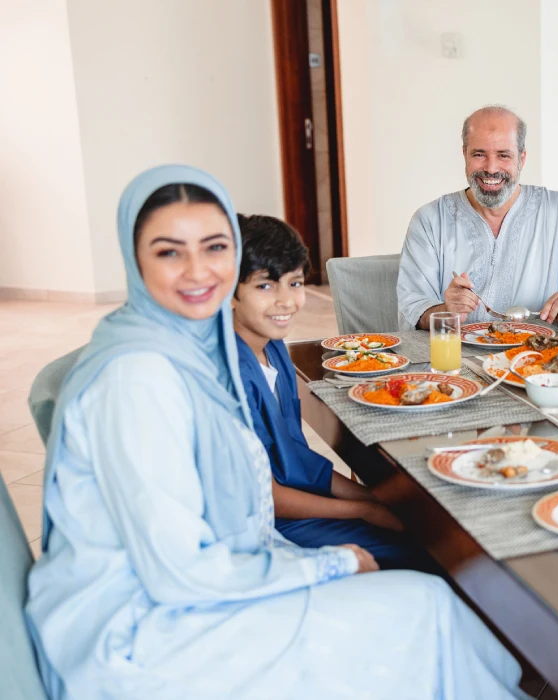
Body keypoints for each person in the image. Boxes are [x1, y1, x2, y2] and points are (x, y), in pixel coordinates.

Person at [25, 165, 528, 699]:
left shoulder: (185, 349)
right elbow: (178, 570)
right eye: (169, 251)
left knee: (431, 606)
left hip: (206, 575)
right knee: (427, 608)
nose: (199, 271)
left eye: (215, 247)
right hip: (145, 630)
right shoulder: (138, 378)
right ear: (135, 259)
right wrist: (331, 560)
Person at [231, 213, 438, 572]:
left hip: (294, 501)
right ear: (230, 291)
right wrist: (364, 508)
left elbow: (294, 454)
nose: (286, 301)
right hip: (267, 525)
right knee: (425, 554)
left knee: (420, 522)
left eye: (295, 284)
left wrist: (376, 498)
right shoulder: (229, 373)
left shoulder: (274, 346)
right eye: (265, 286)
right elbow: (264, 495)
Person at [396, 105, 558, 330]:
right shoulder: (429, 220)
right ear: (464, 155)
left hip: (538, 358)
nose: (491, 168)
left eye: (503, 155)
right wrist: (445, 311)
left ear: (522, 158)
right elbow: (411, 308)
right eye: (479, 154)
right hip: (456, 359)